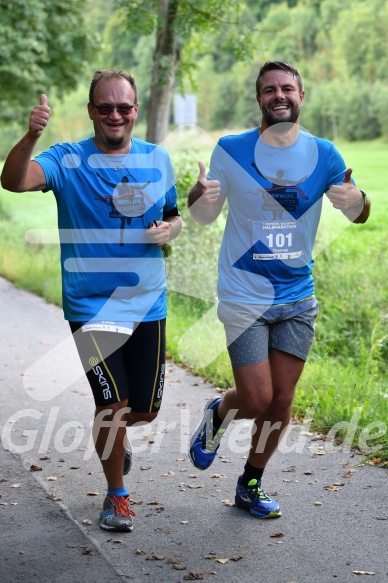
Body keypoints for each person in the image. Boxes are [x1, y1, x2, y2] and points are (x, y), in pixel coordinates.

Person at [187, 61, 370, 519]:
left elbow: (359, 211)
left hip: (296, 297)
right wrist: (198, 195)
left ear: (301, 96)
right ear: (259, 99)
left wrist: (358, 201)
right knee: (255, 399)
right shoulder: (231, 149)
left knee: (282, 401)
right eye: (270, 89)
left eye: (287, 88)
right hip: (243, 293)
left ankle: (250, 484)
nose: (279, 95)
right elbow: (204, 214)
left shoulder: (324, 153)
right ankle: (219, 412)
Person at [1, 70, 182, 532]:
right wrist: (31, 135)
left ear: (136, 109)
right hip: (92, 305)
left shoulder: (157, 159)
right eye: (106, 107)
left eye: (124, 107)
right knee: (112, 406)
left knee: (145, 409)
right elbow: (14, 181)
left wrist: (169, 231)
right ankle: (116, 495)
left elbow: (173, 217)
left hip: (147, 303)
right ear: (91, 111)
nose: (115, 115)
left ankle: (118, 447)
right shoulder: (66, 159)